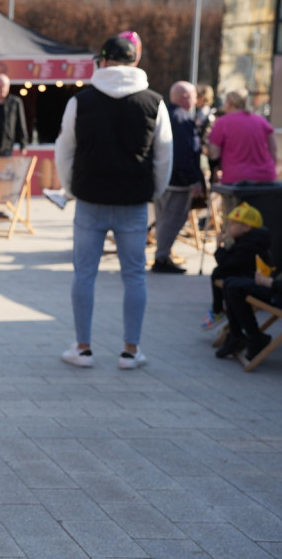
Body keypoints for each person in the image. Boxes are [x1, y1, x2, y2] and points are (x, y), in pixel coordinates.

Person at [55, 35, 173, 370]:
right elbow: (164, 154)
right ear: (135, 62)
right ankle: (131, 350)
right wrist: (153, 192)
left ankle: (83, 347)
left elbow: (65, 149)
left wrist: (70, 189)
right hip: (134, 200)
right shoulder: (154, 102)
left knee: (84, 274)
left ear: (103, 61)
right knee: (135, 275)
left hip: (91, 198)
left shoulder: (82, 100)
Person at [151, 81, 204, 274]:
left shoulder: (163, 114)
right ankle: (162, 258)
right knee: (172, 219)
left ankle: (163, 254)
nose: (196, 100)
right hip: (177, 181)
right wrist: (192, 179)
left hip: (162, 177)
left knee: (163, 218)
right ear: (185, 98)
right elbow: (183, 153)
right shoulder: (181, 119)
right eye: (194, 96)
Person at [203, 202, 271, 330]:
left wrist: (219, 247)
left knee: (228, 281)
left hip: (253, 281)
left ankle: (230, 323)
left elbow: (227, 264)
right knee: (218, 273)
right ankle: (219, 310)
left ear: (246, 227)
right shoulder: (246, 240)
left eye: (233, 224)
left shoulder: (250, 244)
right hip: (244, 275)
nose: (228, 227)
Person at [217, 249, 282, 360]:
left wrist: (269, 282)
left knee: (234, 288)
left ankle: (252, 336)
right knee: (229, 283)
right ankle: (238, 334)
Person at [208, 88, 276, 185]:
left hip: (236, 180)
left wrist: (215, 170)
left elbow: (214, 153)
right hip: (265, 178)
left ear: (228, 103)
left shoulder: (222, 123)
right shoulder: (262, 121)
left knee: (237, 201)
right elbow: (273, 150)